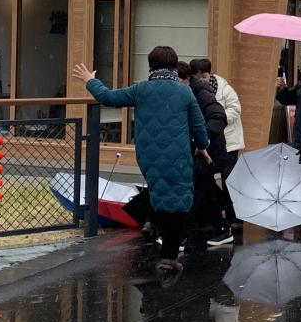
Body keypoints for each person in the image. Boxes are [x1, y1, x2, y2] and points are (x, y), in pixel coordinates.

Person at [74, 47, 209, 273]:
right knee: (177, 204)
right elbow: (198, 125)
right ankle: (169, 257)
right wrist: (203, 146)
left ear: (151, 65)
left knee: (159, 190)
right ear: (174, 66)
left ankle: (153, 224)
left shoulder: (141, 90)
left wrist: (90, 80)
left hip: (148, 154)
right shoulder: (184, 92)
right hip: (178, 154)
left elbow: (109, 97)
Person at [191, 58, 243, 245]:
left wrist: (218, 120)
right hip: (210, 143)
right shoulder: (194, 90)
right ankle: (217, 216)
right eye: (198, 77)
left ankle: (234, 218)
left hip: (229, 141)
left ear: (210, 74)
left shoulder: (224, 88)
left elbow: (235, 109)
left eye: (204, 76)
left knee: (229, 180)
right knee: (207, 180)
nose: (202, 80)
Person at [179, 62, 229, 244]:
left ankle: (182, 234)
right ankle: (222, 227)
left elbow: (219, 116)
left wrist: (203, 140)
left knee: (197, 188)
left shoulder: (200, 92)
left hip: (210, 150)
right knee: (204, 188)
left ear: (185, 79)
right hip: (198, 150)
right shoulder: (187, 91)